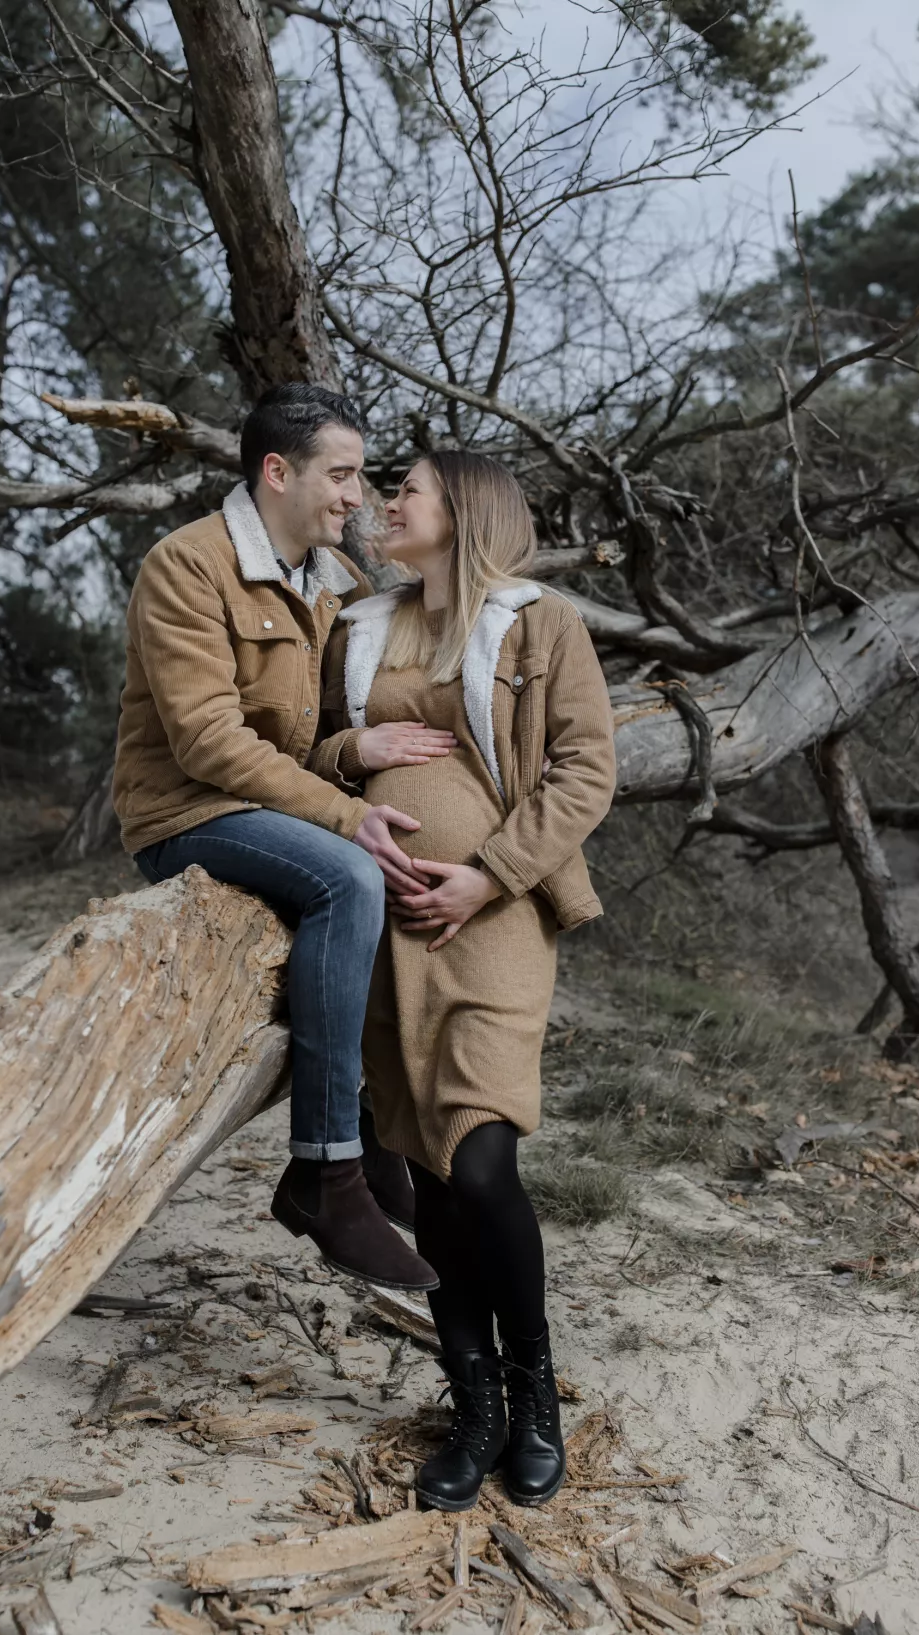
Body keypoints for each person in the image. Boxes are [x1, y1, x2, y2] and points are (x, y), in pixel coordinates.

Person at [310, 451, 616, 1509]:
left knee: (480, 1162)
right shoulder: (355, 624)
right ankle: (472, 1402)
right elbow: (300, 756)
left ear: (467, 512)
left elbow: (586, 768)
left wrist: (485, 876)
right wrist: (355, 750)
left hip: (492, 917)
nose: (388, 505)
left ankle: (535, 1395)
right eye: (384, 491)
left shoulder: (539, 622)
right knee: (427, 1172)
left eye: (410, 493)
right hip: (381, 921)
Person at [113, 383, 455, 1293]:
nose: (357, 494)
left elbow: (308, 738)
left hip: (267, 807)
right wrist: (347, 812)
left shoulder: (336, 582)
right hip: (183, 812)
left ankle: (382, 1138)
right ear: (277, 471)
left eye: (361, 476)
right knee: (351, 874)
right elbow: (207, 740)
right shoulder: (187, 565)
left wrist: (359, 749)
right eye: (340, 474)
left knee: (380, 867)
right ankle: (324, 1172)